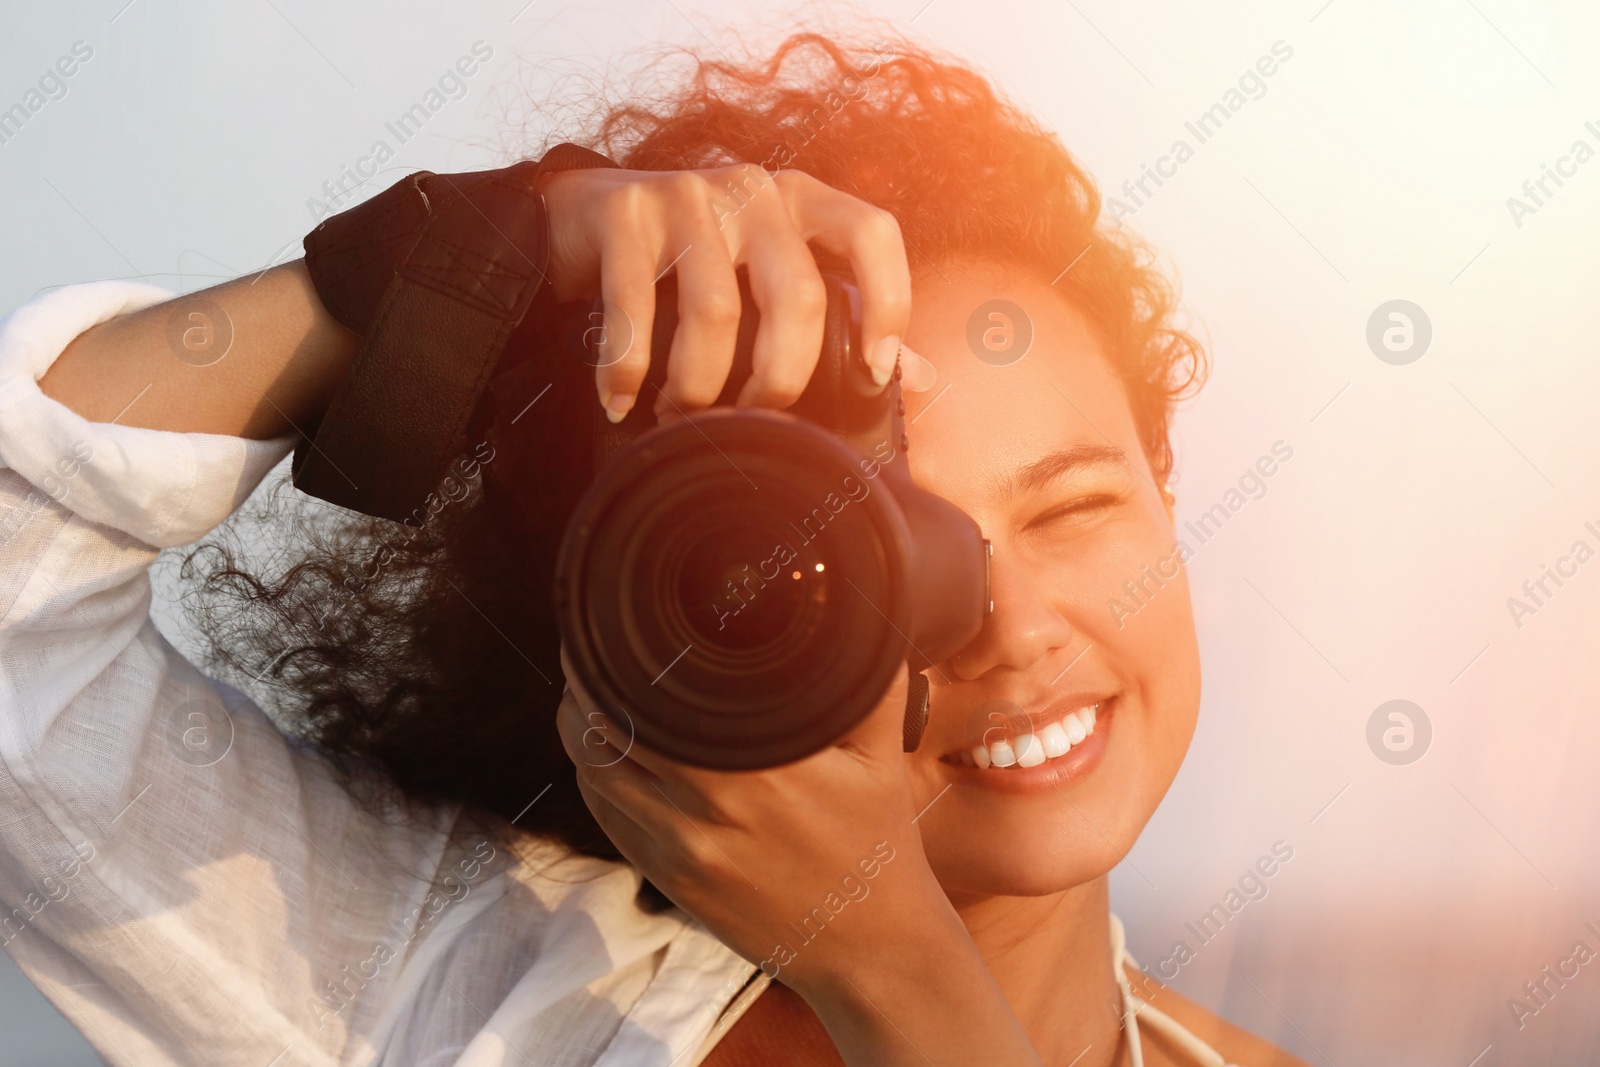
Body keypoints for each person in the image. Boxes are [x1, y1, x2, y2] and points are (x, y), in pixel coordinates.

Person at [0, 31, 1309, 1067]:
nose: (1012, 625)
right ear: (657, 611)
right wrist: (467, 263)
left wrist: (901, 973)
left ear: (1169, 496)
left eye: (1076, 509)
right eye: (865, 550)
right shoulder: (460, 987)